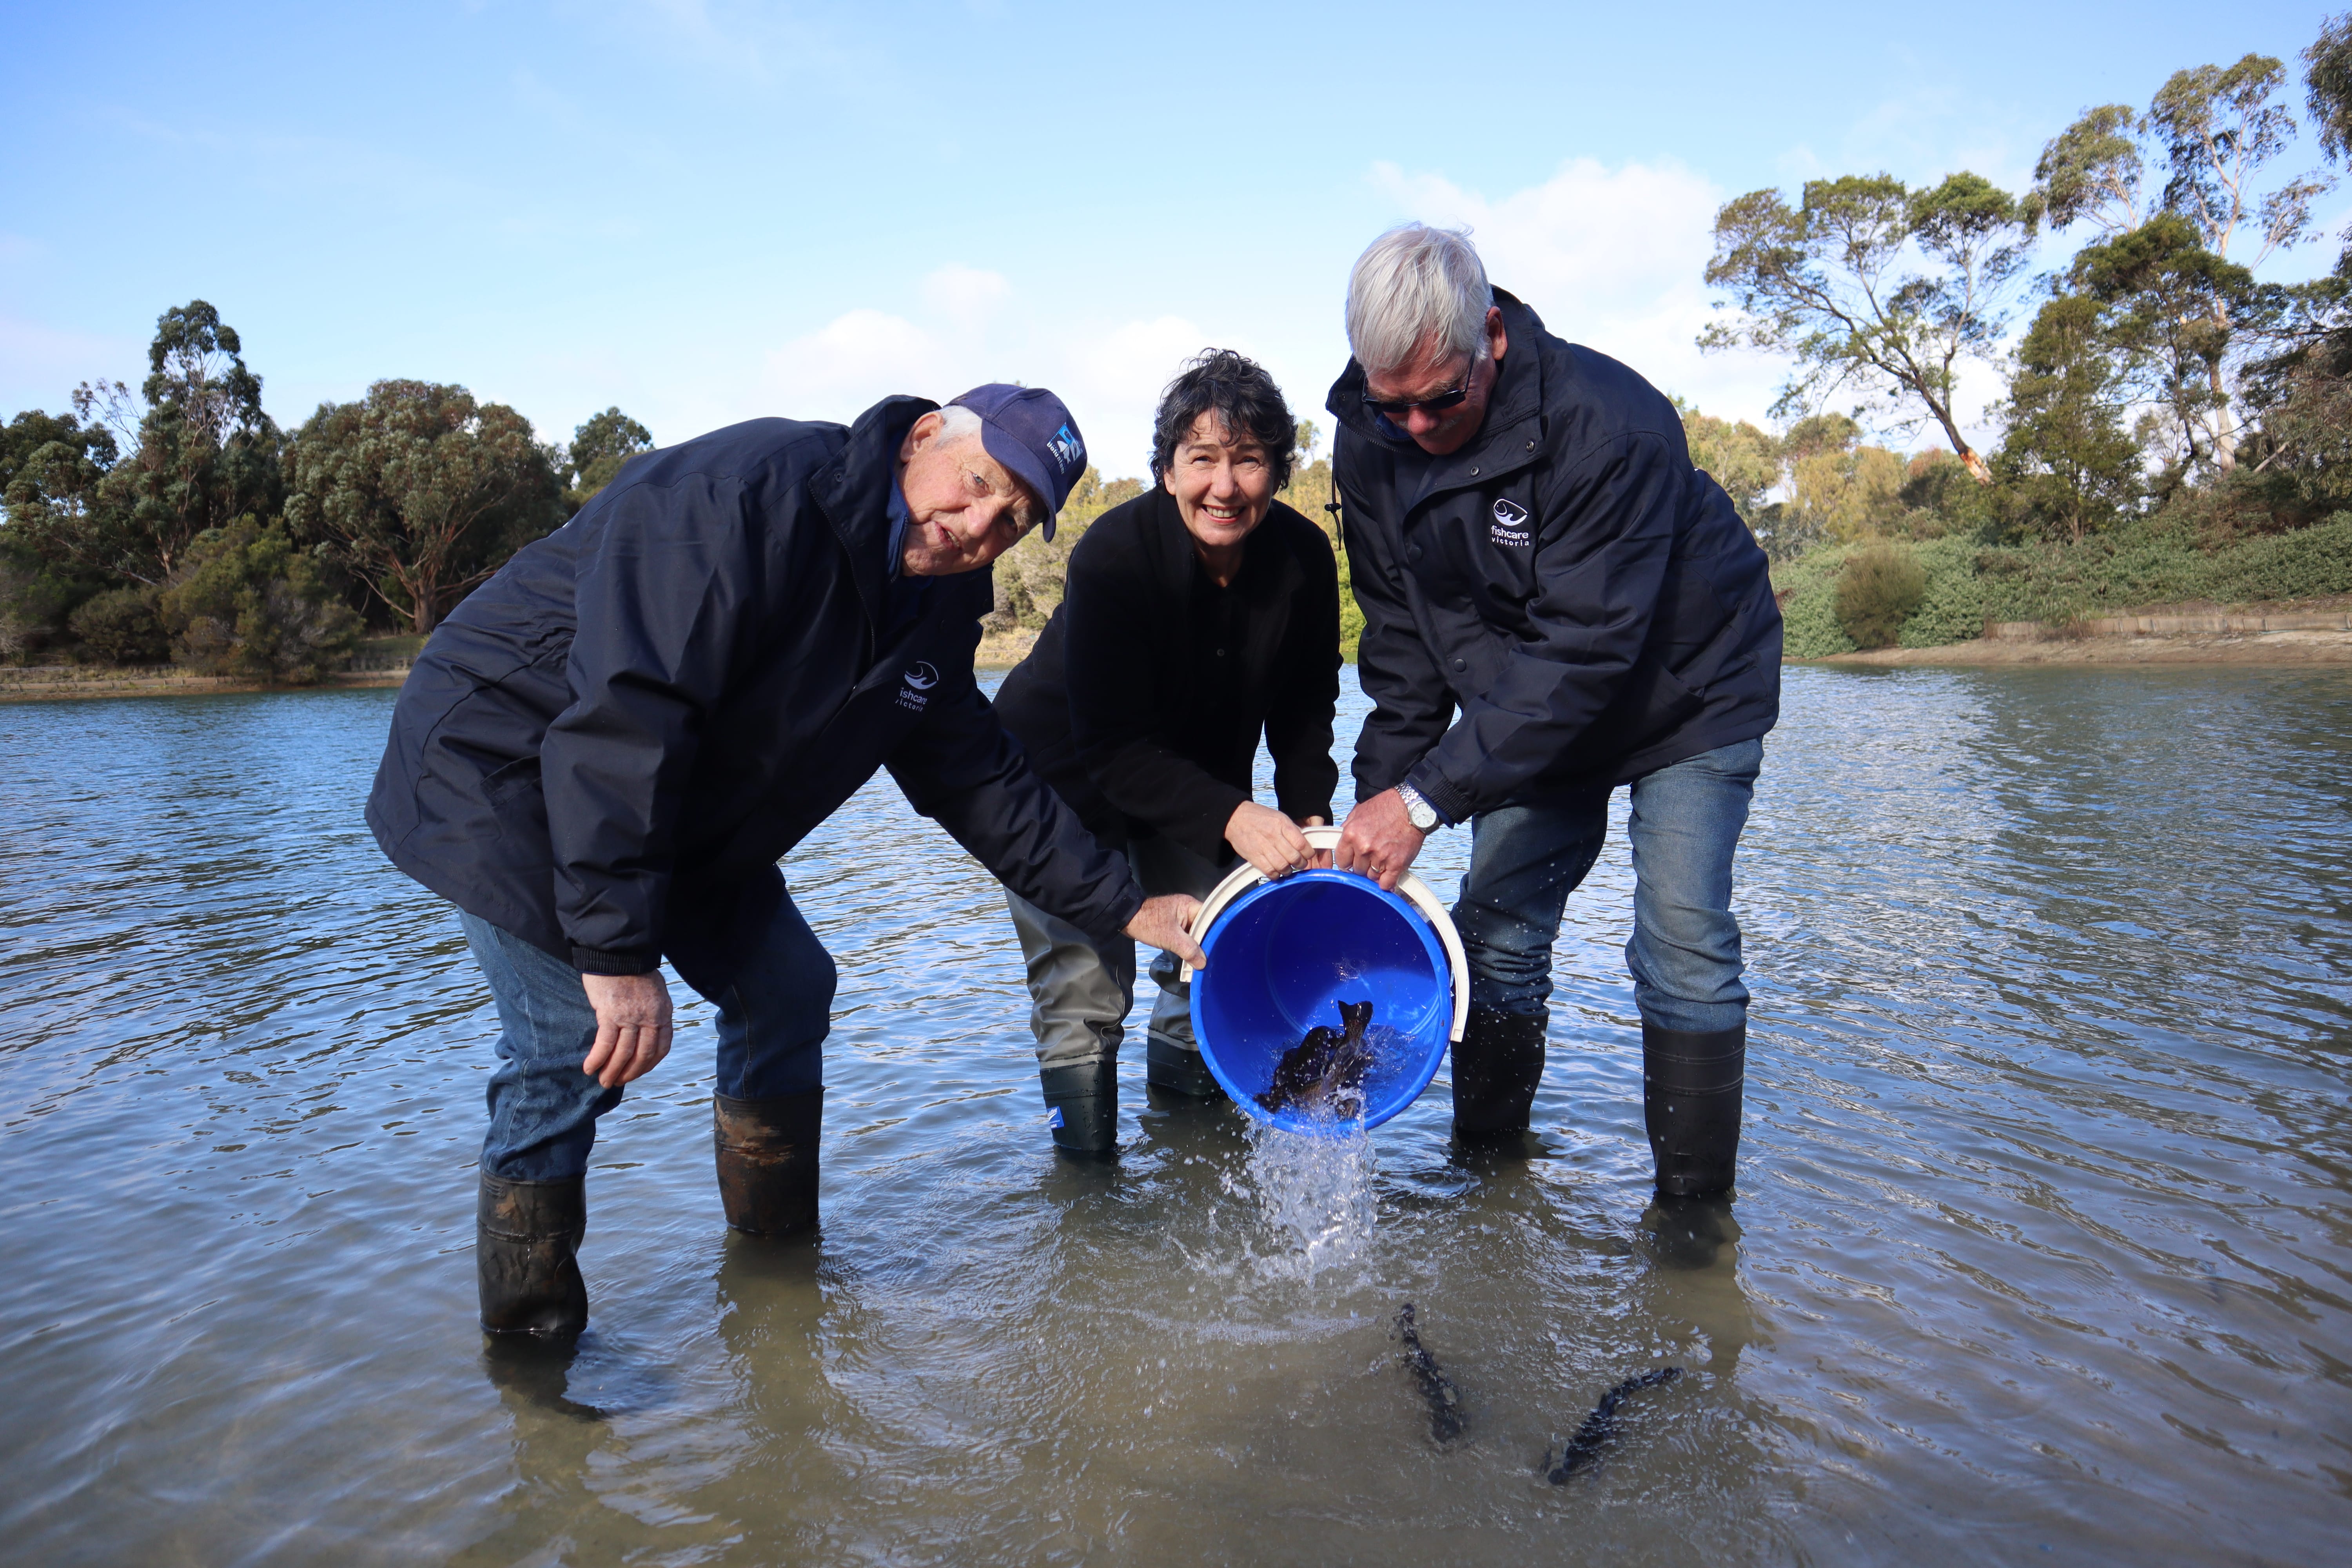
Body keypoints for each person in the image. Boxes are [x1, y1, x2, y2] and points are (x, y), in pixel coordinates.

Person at [367, 385, 1205, 1339]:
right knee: (572, 1039)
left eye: (1012, 520)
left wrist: (1129, 905)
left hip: (668, 796)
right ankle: (531, 1351)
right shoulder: (742, 497)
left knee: (788, 988)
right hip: (505, 761)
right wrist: (616, 953)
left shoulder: (934, 607)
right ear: (923, 436)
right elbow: (627, 717)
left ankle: (776, 1282)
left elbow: (981, 780)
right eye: (978, 483)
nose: (979, 526)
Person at [1325, 224, 1782, 1197]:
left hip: (1688, 689)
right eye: (1392, 404)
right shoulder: (1370, 438)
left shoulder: (1611, 426)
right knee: (1494, 929)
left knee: (1680, 938)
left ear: (1490, 335)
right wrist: (1377, 811)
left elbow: (1585, 649)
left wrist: (1423, 802)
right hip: (1527, 697)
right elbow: (1403, 642)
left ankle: (1693, 1231)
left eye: (1440, 400)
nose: (1415, 427)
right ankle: (1488, 1184)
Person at [990, 351, 1340, 1156]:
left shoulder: (1305, 558)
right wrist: (1238, 816)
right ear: (1167, 470)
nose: (1226, 486)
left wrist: (1310, 816)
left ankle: (1192, 1169)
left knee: (1213, 957)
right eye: (1203, 459)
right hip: (1061, 778)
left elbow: (1305, 710)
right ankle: (1090, 1194)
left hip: (1190, 783)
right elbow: (1111, 748)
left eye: (1249, 460)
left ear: (1279, 472)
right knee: (1084, 990)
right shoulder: (1113, 555)